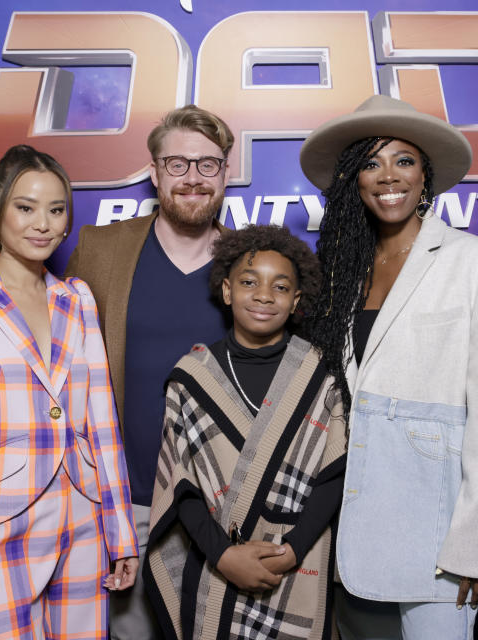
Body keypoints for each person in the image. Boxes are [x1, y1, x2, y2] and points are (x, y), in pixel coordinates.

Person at [299, 95, 478, 639]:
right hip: (346, 523)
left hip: (438, 528)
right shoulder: (339, 272)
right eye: (370, 163)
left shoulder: (474, 263)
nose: (387, 176)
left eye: (404, 160)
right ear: (353, 180)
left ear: (426, 174)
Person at [0, 145, 138, 639]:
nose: (42, 224)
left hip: (82, 520)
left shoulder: (76, 299)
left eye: (56, 210)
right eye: (25, 207)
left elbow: (102, 423)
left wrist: (120, 533)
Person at [65, 105, 232, 638]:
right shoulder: (101, 250)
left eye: (208, 164)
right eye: (177, 163)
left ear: (226, 173)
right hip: (123, 505)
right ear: (155, 172)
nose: (192, 178)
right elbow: (57, 369)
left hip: (220, 508)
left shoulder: (254, 262)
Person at [142, 224, 347, 639]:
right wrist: (225, 555)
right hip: (217, 563)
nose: (264, 295)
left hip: (295, 561)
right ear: (227, 290)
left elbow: (335, 473)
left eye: (281, 286)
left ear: (296, 301)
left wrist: (291, 551)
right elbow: (180, 488)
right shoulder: (192, 377)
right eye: (249, 282)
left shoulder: (320, 373)